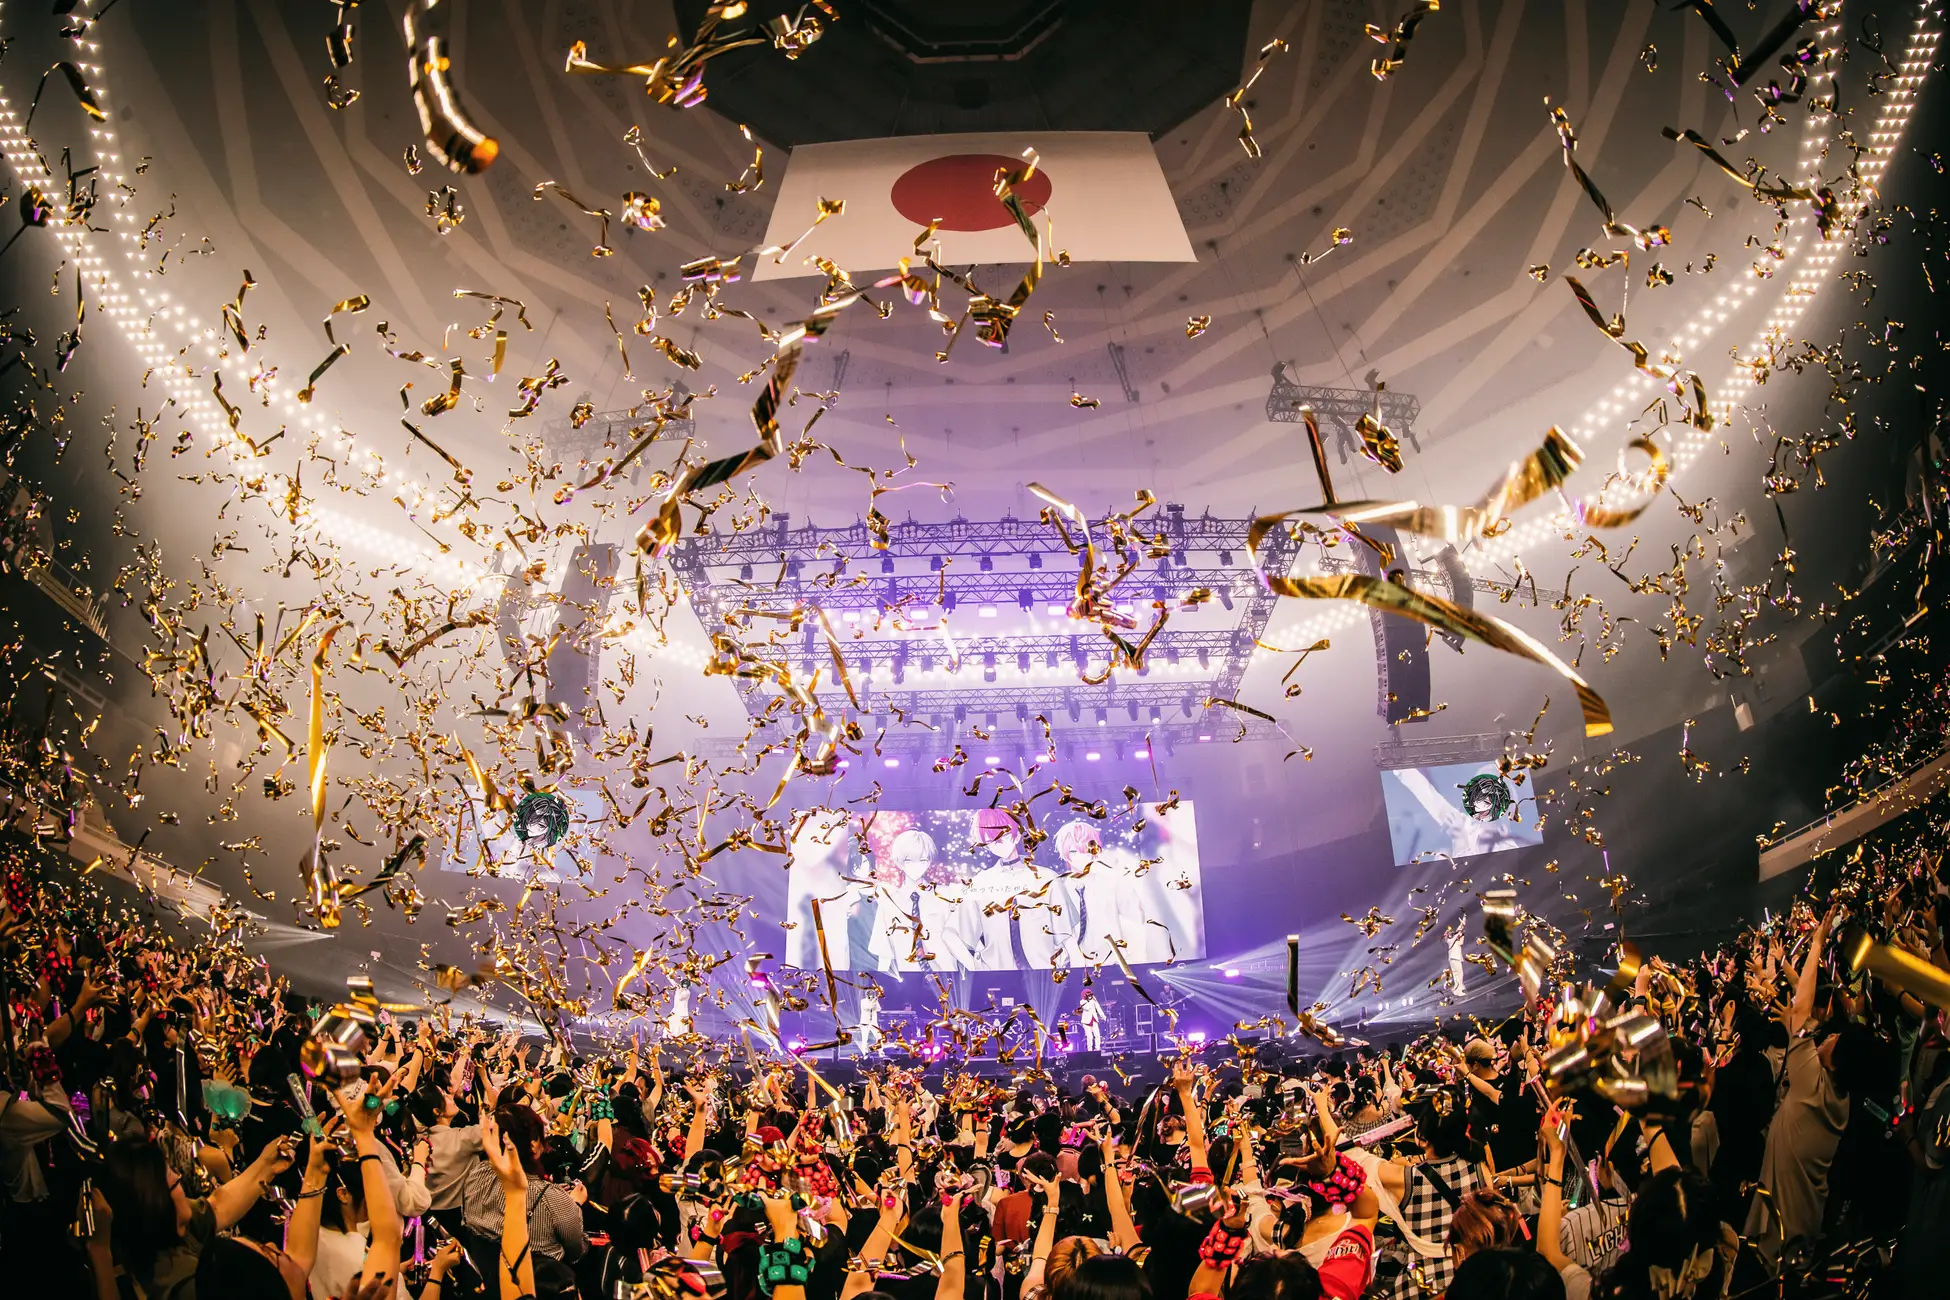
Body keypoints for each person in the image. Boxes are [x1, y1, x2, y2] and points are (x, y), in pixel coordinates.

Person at [857, 983, 883, 1053]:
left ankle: (881, 1052)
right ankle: (865, 1052)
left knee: (879, 1037)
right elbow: (867, 1008)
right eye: (870, 995)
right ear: (867, 995)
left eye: (872, 995)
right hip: (865, 1022)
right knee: (864, 1039)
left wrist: (875, 1002)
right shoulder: (863, 1001)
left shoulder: (875, 1000)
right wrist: (873, 1003)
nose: (871, 997)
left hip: (873, 1023)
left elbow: (879, 1009)